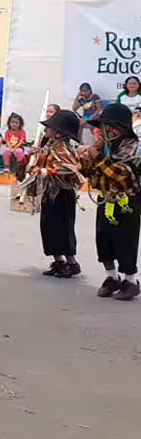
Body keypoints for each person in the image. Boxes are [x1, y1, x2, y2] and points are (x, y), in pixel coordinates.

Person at [78, 104, 141, 300]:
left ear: (119, 128)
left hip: (127, 201)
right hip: (106, 198)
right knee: (103, 238)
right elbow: (86, 172)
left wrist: (97, 157)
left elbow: (119, 174)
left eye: (107, 126)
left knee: (126, 240)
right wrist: (87, 157)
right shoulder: (106, 146)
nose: (102, 131)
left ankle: (130, 281)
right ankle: (111, 277)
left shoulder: (132, 146)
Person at [22, 109, 83, 279]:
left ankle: (71, 263)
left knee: (62, 229)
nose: (46, 129)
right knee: (48, 227)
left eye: (50, 127)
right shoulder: (48, 146)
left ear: (59, 132)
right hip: (49, 193)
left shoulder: (64, 149)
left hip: (62, 194)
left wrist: (46, 171)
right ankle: (58, 261)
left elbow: (69, 168)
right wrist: (31, 157)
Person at [72, 82, 102, 147]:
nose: (84, 93)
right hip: (85, 117)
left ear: (90, 90)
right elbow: (74, 108)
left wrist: (91, 117)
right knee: (78, 124)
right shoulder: (82, 99)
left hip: (95, 116)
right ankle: (79, 142)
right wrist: (77, 96)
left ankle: (97, 143)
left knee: (90, 125)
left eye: (86, 91)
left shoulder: (95, 96)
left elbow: (99, 109)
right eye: (82, 91)